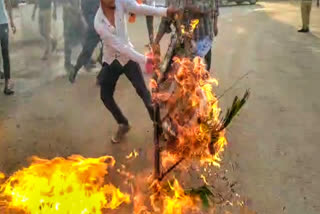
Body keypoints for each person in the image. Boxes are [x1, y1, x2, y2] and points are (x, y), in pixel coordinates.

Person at [95, 0, 177, 143]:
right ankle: (123, 124)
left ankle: (160, 127)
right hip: (111, 60)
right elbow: (120, 47)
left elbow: (140, 8)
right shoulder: (98, 22)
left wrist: (164, 11)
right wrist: (146, 60)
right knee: (105, 96)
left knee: (144, 94)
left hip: (128, 59)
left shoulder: (121, 2)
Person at [155, 0, 219, 71]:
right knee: (172, 72)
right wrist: (156, 42)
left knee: (201, 72)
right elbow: (165, 20)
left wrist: (187, 6)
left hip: (202, 38)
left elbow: (209, 7)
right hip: (181, 41)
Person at [68, 0, 101, 83]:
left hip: (94, 27)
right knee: (109, 49)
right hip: (98, 27)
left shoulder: (85, 2)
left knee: (86, 52)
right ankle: (102, 75)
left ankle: (75, 70)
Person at [62, 0, 85, 70]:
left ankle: (86, 59)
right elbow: (66, 6)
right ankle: (67, 62)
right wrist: (76, 11)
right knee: (68, 40)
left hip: (76, 17)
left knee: (82, 38)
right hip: (70, 18)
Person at [0, 0, 16, 95]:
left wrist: (12, 21)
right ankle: (7, 84)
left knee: (5, 53)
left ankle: (7, 84)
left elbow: (8, 3)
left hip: (3, 23)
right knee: (5, 53)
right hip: (3, 24)